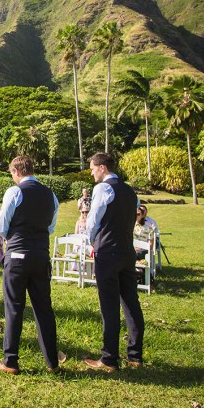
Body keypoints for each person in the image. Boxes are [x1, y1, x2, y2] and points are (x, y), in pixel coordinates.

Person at [0, 155, 65, 375]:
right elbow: (50, 227)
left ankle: (10, 360)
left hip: (17, 255)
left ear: (16, 171)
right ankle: (52, 361)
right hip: (41, 255)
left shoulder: (15, 192)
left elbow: (3, 226)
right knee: (44, 308)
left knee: (14, 307)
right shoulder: (50, 195)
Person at [84, 152, 144, 372]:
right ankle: (135, 356)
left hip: (107, 251)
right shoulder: (130, 191)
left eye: (92, 168)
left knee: (109, 305)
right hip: (127, 251)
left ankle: (109, 358)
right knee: (131, 302)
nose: (91, 173)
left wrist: (91, 241)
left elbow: (93, 220)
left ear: (102, 167)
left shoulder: (103, 188)